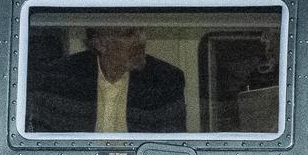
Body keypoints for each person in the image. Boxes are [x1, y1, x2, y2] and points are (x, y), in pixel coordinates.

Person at [30, 24, 189, 135]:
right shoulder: (60, 77)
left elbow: (170, 147)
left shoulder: (165, 80)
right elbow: (46, 143)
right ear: (100, 43)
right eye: (129, 34)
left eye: (142, 30)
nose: (142, 39)